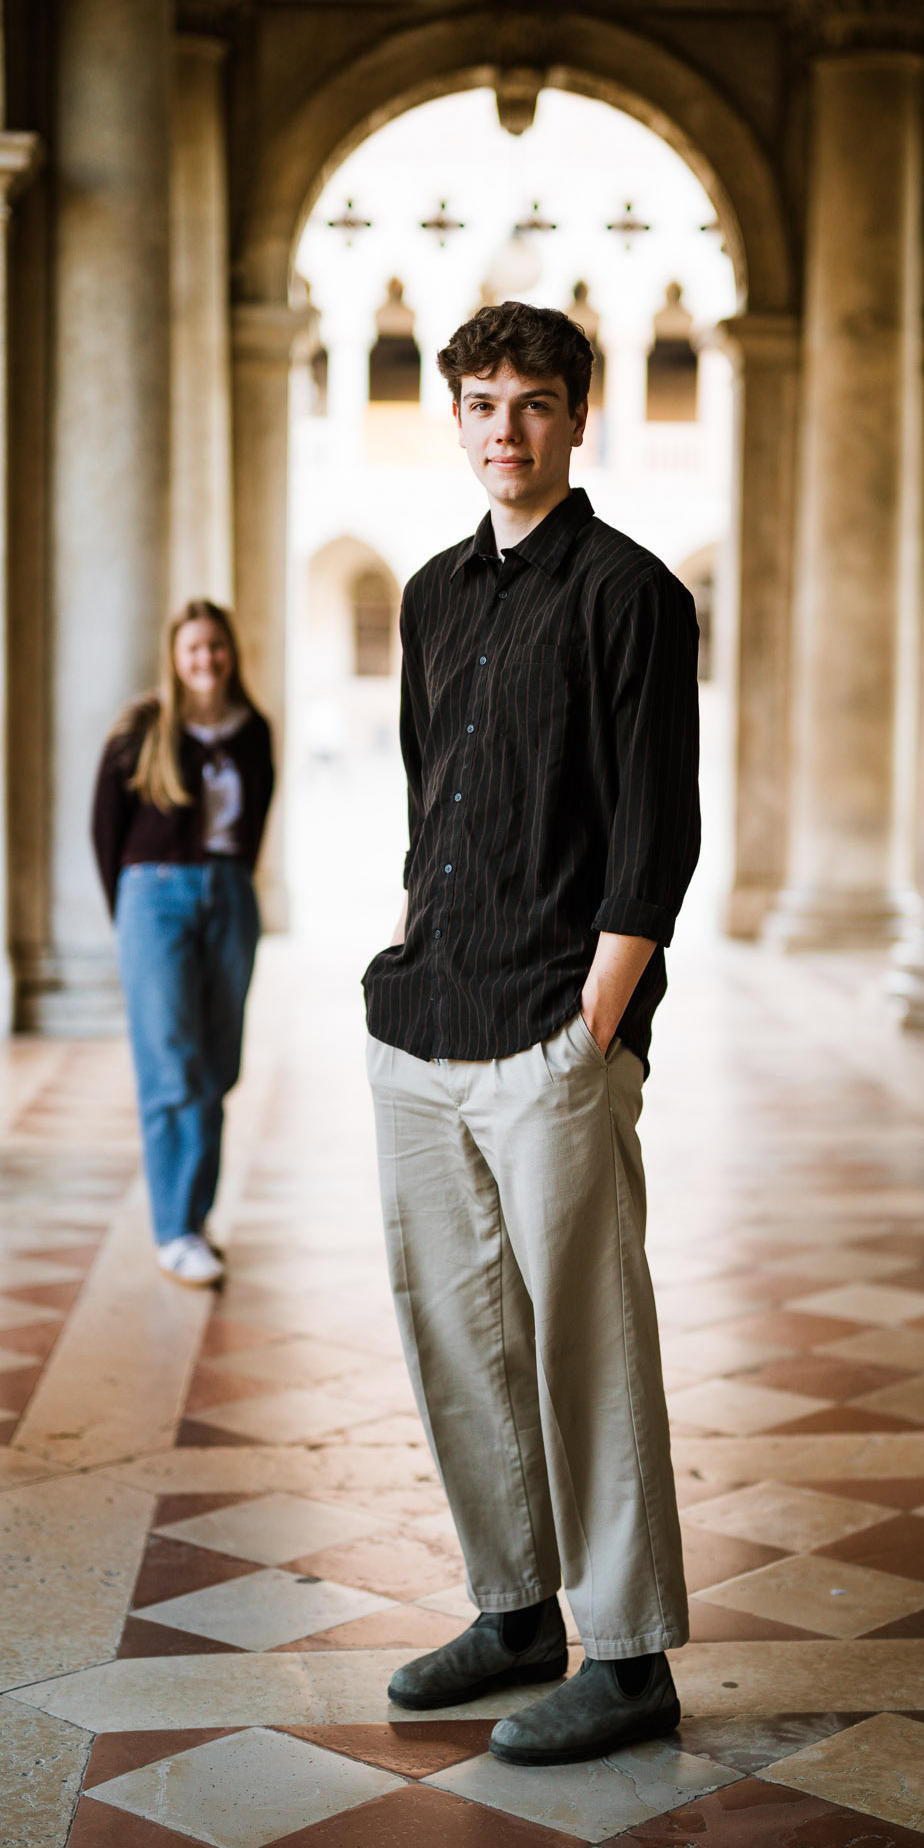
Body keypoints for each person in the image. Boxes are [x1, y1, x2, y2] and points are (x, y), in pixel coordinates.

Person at [363, 301, 700, 1765]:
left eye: (536, 403)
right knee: (459, 1333)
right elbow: (430, 789)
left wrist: (596, 1025)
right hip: (427, 1015)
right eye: (485, 401)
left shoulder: (632, 595)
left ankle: (626, 1656)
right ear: (457, 416)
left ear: (579, 418)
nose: (508, 427)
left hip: (555, 1031)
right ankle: (514, 1613)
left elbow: (656, 836)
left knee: (587, 1341)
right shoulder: (433, 595)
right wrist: (398, 948)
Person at [92, 601, 274, 1286]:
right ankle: (175, 1230)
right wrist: (133, 915)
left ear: (232, 654)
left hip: (228, 895)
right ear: (174, 656)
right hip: (154, 898)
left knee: (219, 1064)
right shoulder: (143, 727)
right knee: (171, 1061)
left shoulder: (253, 730)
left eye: (217, 648)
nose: (206, 660)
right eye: (194, 649)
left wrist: (231, 889)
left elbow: (255, 821)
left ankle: (195, 1220)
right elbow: (105, 827)